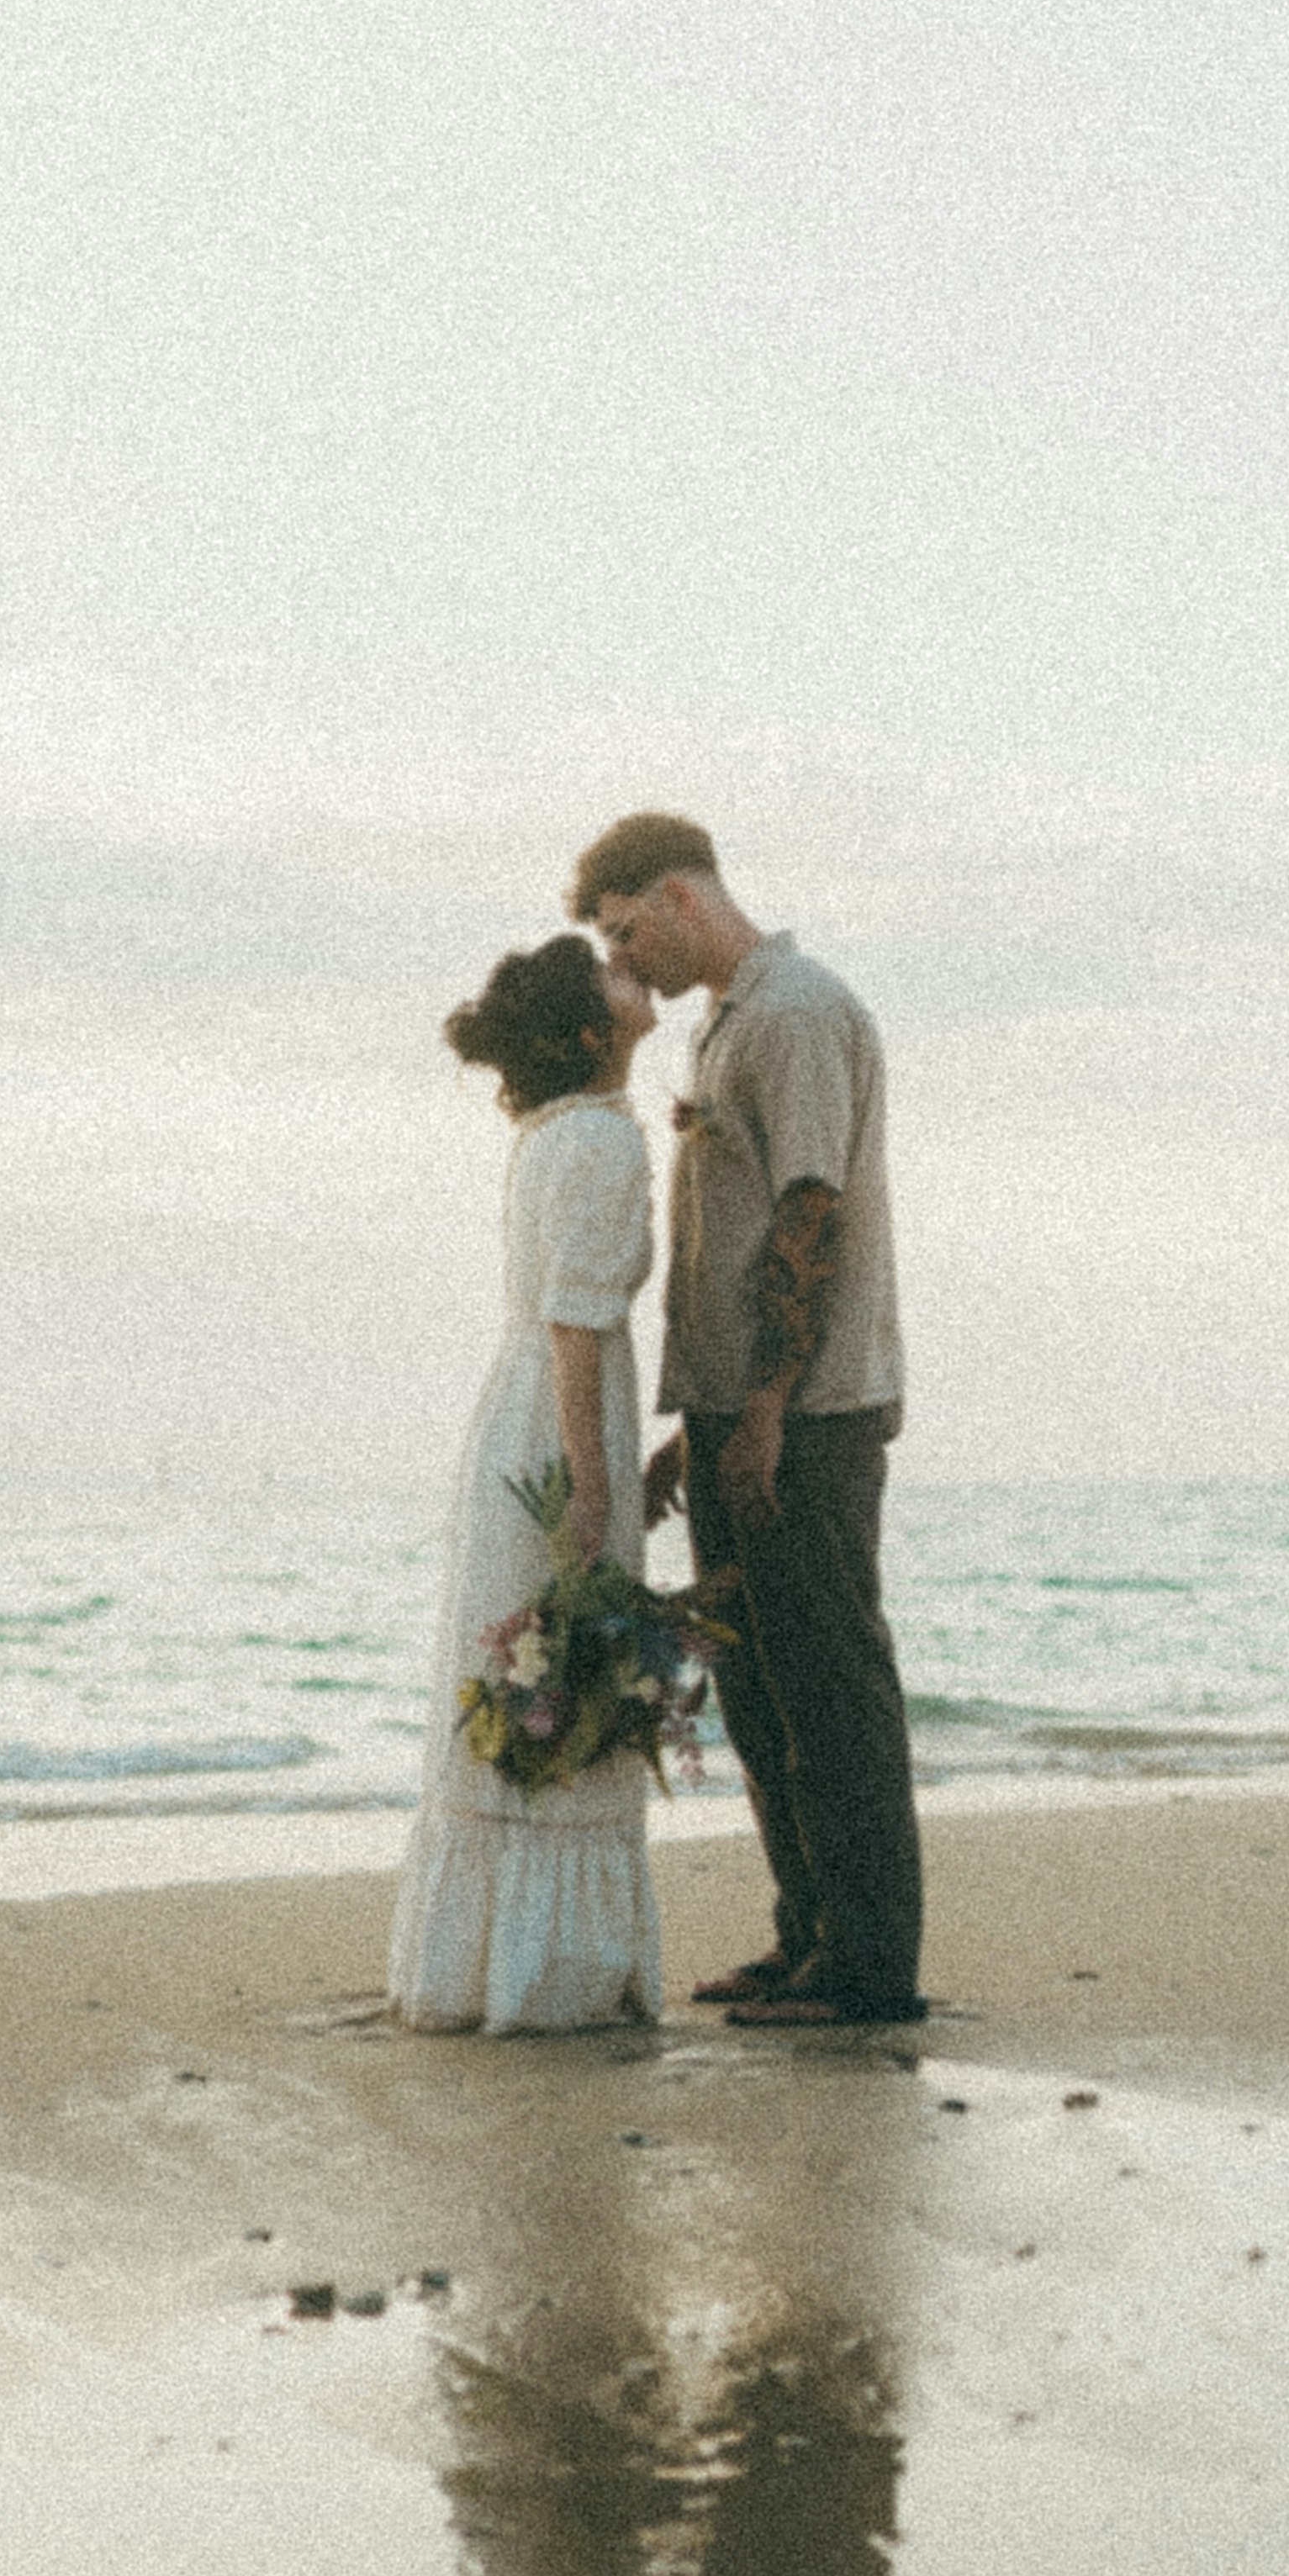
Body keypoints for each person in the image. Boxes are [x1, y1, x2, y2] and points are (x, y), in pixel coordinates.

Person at [568, 813, 925, 2029]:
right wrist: (702, 1421)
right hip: (736, 1413)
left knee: (831, 1682)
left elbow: (807, 1216)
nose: (628, 961)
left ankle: (872, 1966)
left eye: (627, 931)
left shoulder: (797, 1014)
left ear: (678, 895)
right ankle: (809, 1935)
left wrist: (767, 1402)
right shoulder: (728, 1023)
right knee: (761, 1691)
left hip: (810, 1412)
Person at [389, 933, 666, 2035]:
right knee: (564, 1669)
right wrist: (595, 1490)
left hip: (520, 1412)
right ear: (595, 1031)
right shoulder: (597, 1139)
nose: (628, 966)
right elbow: (576, 1319)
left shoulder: (556, 1135)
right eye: (608, 973)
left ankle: (494, 1960)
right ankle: (550, 1974)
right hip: (559, 1419)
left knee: (532, 1678)